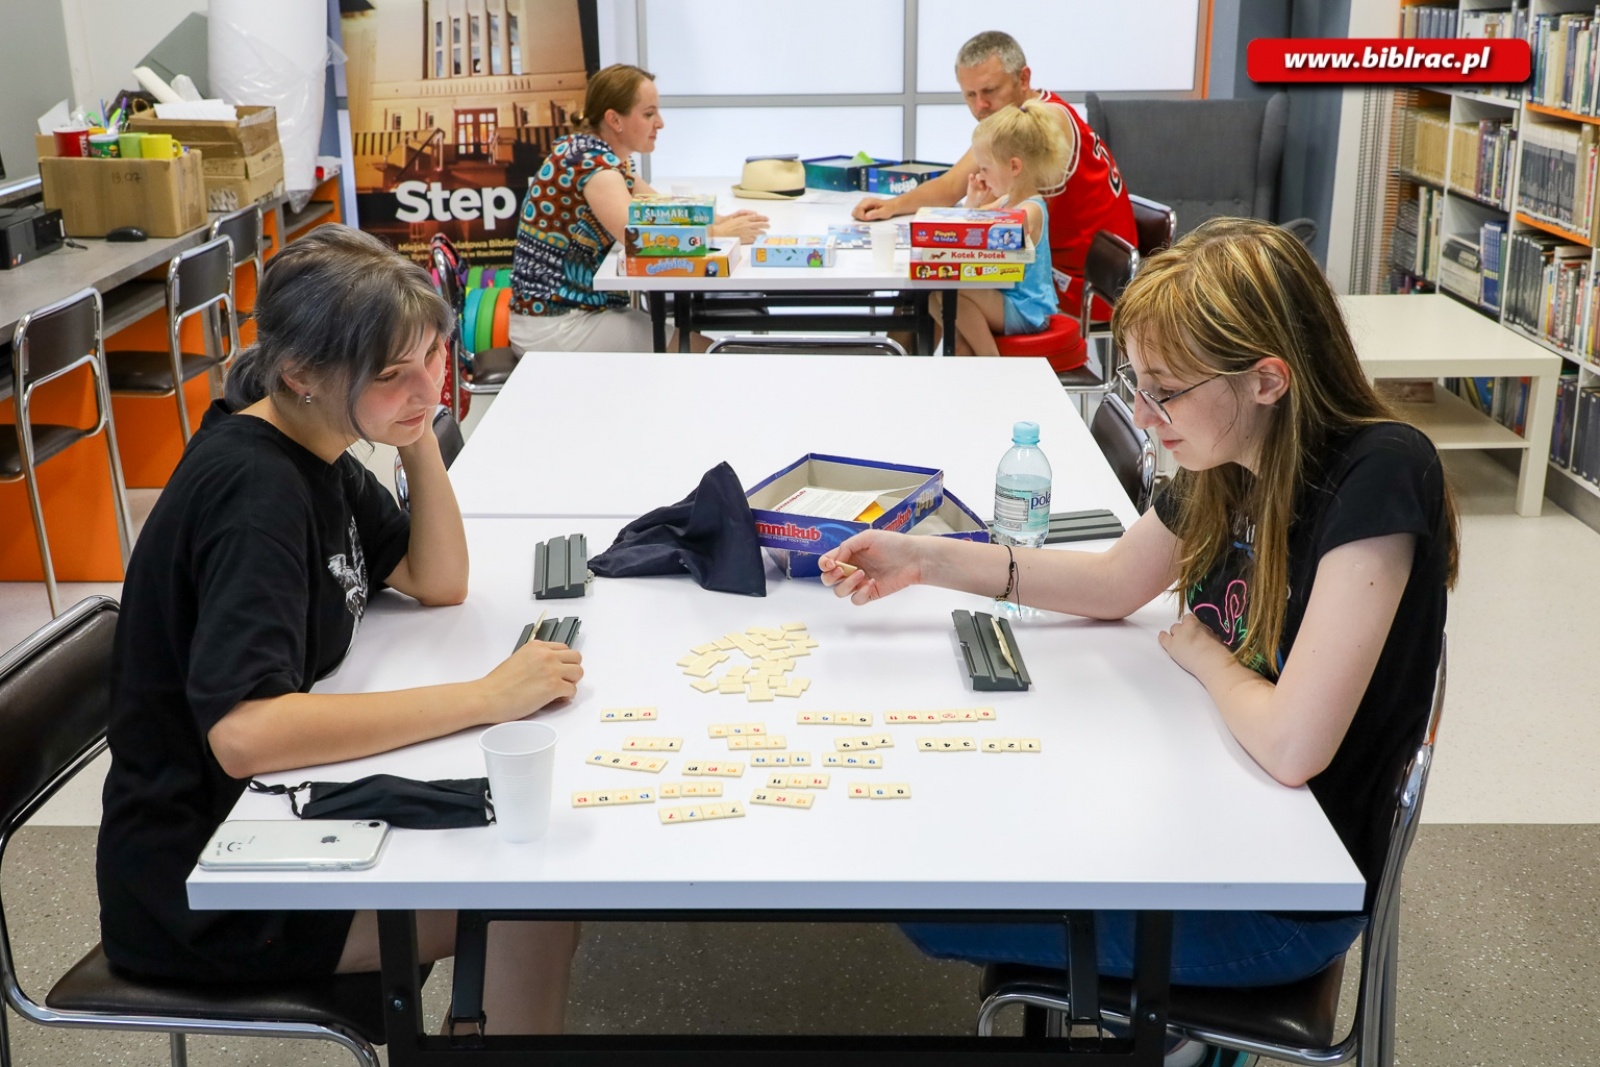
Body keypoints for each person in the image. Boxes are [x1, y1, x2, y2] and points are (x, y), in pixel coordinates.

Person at [820, 218, 1457, 1066]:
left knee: (926, 892)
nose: (1147, 415)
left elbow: (1294, 743)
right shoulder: (1224, 457)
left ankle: (1180, 1036)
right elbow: (1115, 584)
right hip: (1214, 824)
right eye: (1138, 388)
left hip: (1280, 901)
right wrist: (924, 556)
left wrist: (1205, 655)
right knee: (945, 853)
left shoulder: (1380, 472)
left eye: (1166, 392)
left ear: (1267, 379)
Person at [98, 225, 583, 1034]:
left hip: (267, 818)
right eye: (393, 375)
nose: (428, 386)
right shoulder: (257, 495)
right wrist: (484, 696)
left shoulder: (315, 442)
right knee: (527, 897)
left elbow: (437, 579)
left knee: (526, 877)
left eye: (434, 357)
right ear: (301, 374)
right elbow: (246, 734)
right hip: (206, 884)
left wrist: (415, 425)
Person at [853, 30, 1137, 322]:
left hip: (1085, 285)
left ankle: (923, 365)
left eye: (989, 91)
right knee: (932, 290)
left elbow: (987, 215)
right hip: (1049, 268)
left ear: (1023, 79)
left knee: (937, 289)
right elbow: (953, 185)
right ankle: (922, 364)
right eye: (970, 95)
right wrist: (891, 206)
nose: (980, 106)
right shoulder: (1014, 121)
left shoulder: (1042, 124)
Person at [508, 63, 768, 353]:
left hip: (571, 313)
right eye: (648, 114)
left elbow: (663, 210)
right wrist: (719, 231)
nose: (660, 123)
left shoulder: (597, 155)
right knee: (713, 352)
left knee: (700, 348)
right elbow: (639, 240)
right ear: (614, 120)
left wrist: (720, 220)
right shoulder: (594, 167)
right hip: (557, 324)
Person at [933, 102, 1068, 355]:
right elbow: (969, 223)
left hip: (1026, 308)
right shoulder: (1007, 200)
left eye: (985, 169)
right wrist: (972, 203)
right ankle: (964, 349)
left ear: (1014, 167)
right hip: (1005, 300)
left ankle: (990, 360)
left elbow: (997, 232)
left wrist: (980, 215)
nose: (981, 176)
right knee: (934, 299)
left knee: (952, 289)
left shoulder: (1031, 210)